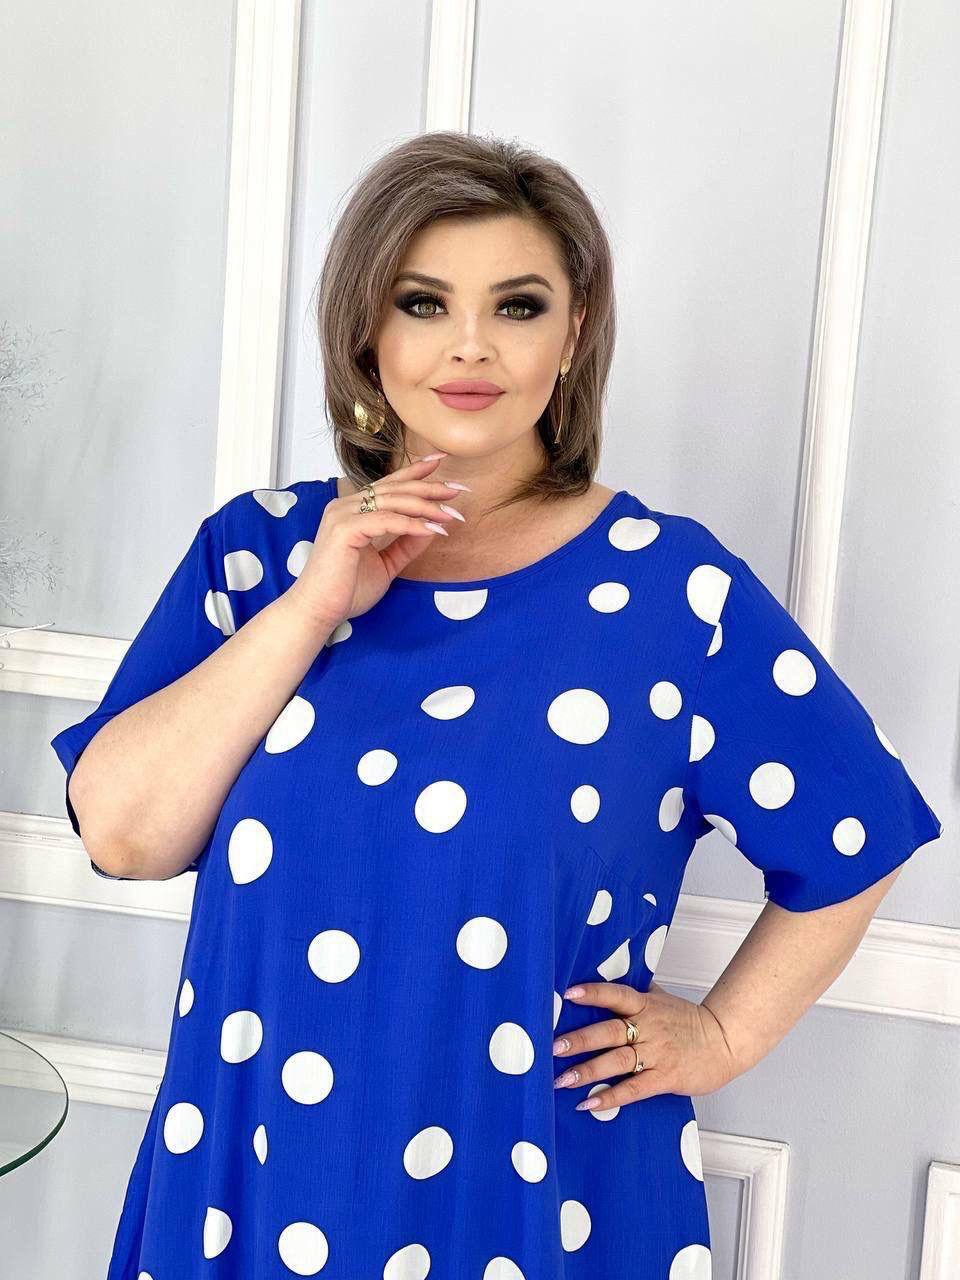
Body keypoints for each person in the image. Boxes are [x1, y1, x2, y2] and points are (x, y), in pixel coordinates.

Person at [51, 132, 942, 1280]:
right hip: (258, 1184)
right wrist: (314, 605)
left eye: (518, 305)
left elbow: (857, 829)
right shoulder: (257, 552)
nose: (470, 343)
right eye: (423, 302)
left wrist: (723, 1034)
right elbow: (122, 834)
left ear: (573, 335)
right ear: (366, 331)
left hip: (532, 1199)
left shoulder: (675, 596)